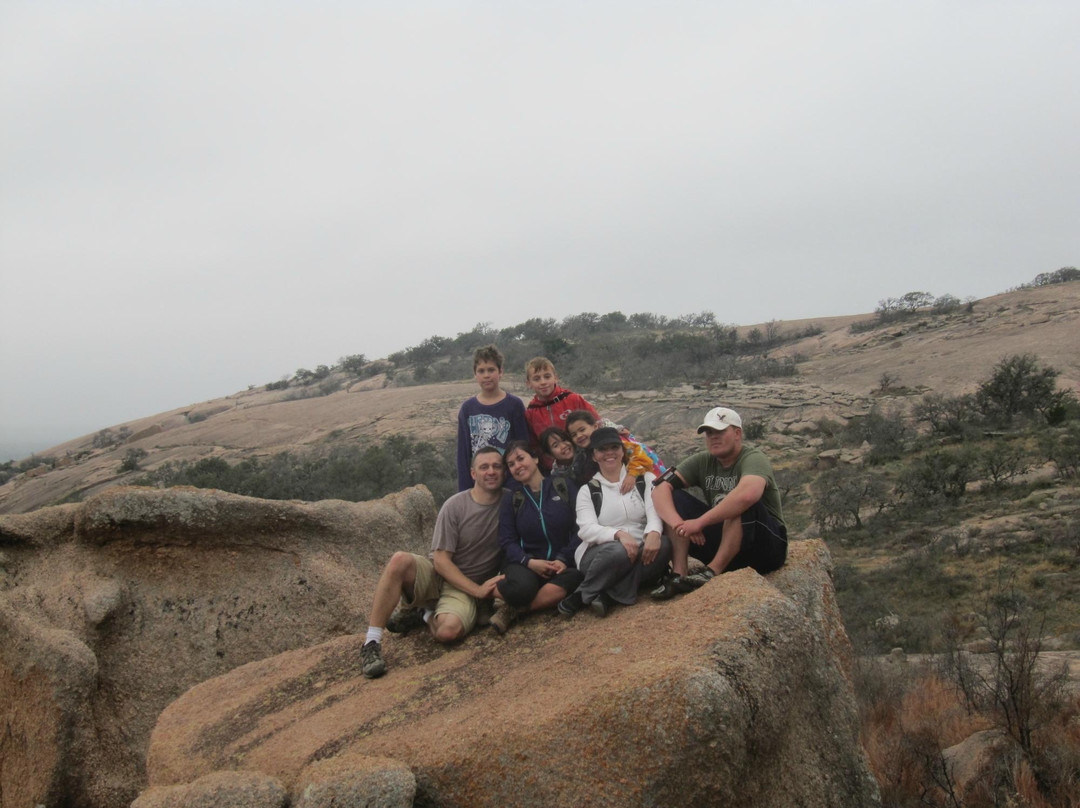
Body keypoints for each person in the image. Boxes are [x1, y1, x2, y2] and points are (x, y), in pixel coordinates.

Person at [360, 446, 508, 679]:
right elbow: (440, 560)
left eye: (496, 466)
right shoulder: (455, 506)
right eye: (484, 467)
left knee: (448, 632)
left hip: (463, 587)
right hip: (442, 576)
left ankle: (424, 614)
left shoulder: (510, 503)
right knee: (399, 560)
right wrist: (478, 591)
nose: (491, 471)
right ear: (473, 474)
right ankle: (371, 642)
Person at [649, 407, 787, 598]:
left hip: (765, 546)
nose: (713, 437)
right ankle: (679, 575)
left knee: (740, 503)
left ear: (737, 433)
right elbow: (660, 489)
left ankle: (712, 572)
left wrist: (700, 522)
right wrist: (679, 524)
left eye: (720, 431)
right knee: (674, 497)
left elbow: (748, 495)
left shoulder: (753, 458)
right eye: (709, 433)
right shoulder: (703, 461)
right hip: (727, 542)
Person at [558, 427, 671, 618]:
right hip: (602, 556)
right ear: (594, 456)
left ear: (622, 451)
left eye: (614, 447)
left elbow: (654, 511)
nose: (609, 453)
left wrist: (653, 533)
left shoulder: (645, 479)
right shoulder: (588, 491)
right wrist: (618, 535)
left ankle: (607, 595)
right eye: (602, 449)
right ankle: (583, 593)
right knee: (618, 551)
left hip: (639, 549)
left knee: (665, 545)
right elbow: (586, 529)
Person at [490, 441, 583, 634]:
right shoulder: (512, 498)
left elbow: (580, 526)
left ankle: (515, 609)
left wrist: (562, 558)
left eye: (520, 458)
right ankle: (501, 595)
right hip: (526, 563)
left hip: (561, 563)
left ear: (536, 458)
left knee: (576, 578)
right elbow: (507, 540)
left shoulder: (562, 486)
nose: (517, 466)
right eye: (511, 464)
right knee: (522, 588)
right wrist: (529, 562)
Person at [456, 344, 529, 492]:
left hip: (511, 485)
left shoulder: (513, 405)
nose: (486, 375)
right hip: (480, 486)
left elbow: (524, 446)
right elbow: (463, 454)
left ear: (500, 372)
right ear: (475, 374)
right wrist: (465, 491)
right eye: (481, 371)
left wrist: (523, 484)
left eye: (491, 370)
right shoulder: (468, 409)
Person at [523, 357, 600, 468]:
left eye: (547, 376)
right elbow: (535, 445)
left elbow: (597, 423)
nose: (543, 382)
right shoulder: (531, 412)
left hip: (589, 460)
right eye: (536, 379)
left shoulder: (573, 399)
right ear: (529, 383)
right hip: (557, 468)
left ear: (556, 377)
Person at [564, 410, 666, 493]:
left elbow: (641, 458)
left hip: (656, 482)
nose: (579, 436)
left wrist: (632, 475)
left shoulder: (615, 441)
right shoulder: (587, 451)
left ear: (595, 426)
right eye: (574, 435)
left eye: (582, 430)